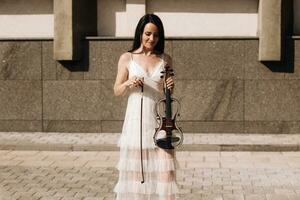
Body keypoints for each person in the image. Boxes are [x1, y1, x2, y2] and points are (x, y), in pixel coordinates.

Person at [113, 14, 179, 200]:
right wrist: (128, 83)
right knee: (137, 174)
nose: (152, 39)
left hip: (159, 120)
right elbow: (117, 90)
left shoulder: (165, 59)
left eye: (156, 35)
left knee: (167, 171)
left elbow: (166, 94)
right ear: (140, 33)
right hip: (136, 119)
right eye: (148, 34)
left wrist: (169, 88)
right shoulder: (127, 58)